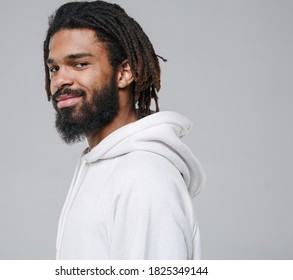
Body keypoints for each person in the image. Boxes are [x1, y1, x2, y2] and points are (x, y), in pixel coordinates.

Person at [43, 0, 206, 259]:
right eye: (54, 68)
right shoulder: (100, 163)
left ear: (124, 73)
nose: (60, 80)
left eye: (80, 64)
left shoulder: (144, 178)